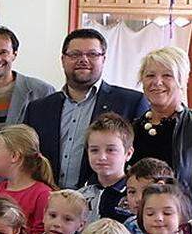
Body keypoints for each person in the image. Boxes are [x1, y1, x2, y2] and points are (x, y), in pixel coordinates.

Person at [23, 28, 148, 189]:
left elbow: (140, 160)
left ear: (103, 59)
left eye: (92, 54)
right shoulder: (38, 108)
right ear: (62, 60)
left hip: (104, 200)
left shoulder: (131, 102)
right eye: (75, 54)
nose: (83, 59)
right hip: (48, 199)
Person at [130, 46, 192, 208]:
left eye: (167, 75)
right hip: (135, 223)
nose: (157, 82)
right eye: (150, 75)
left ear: (182, 81)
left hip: (187, 225)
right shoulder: (134, 128)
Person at [78, 113, 135, 223]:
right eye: (94, 150)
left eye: (110, 150)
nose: (102, 157)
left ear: (128, 153)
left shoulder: (136, 196)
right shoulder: (80, 196)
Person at [123, 158, 175, 234]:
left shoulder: (176, 225)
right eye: (132, 192)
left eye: (146, 191)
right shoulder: (127, 227)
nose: (138, 199)